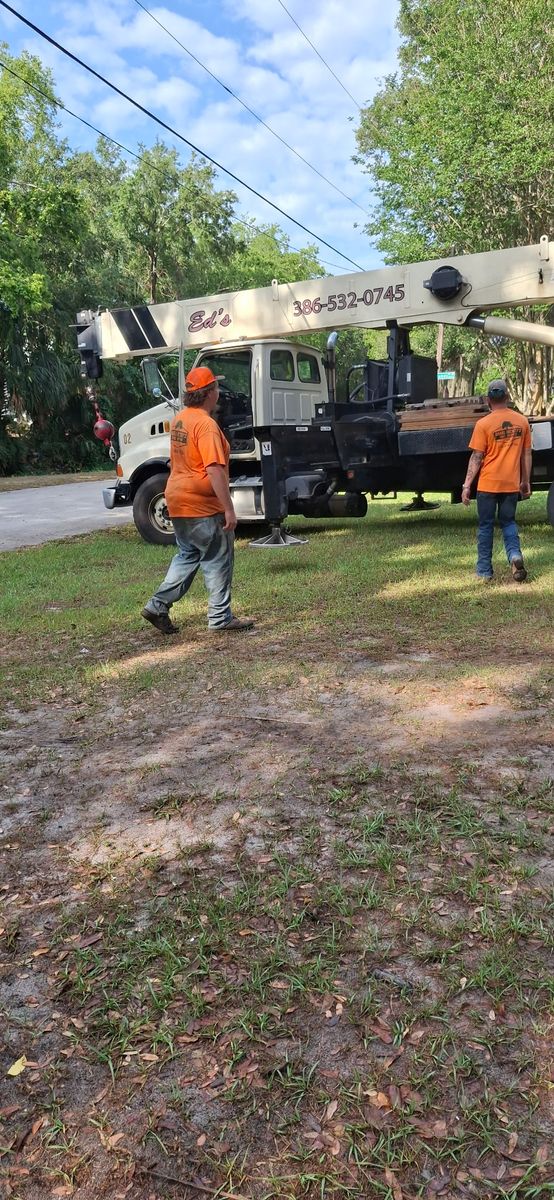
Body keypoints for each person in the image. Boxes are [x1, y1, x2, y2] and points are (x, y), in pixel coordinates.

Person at [142, 366, 254, 634]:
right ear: (209, 393)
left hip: (177, 500)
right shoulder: (206, 425)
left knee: (187, 556)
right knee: (217, 559)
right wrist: (228, 509)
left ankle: (157, 605)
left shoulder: (180, 420)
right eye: (216, 387)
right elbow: (214, 469)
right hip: (203, 505)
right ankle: (220, 617)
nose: (219, 392)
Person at [462, 379, 532, 582]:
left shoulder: (483, 424)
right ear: (507, 397)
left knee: (486, 526)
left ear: (488, 400)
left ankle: (484, 571)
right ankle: (515, 555)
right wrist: (525, 481)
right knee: (508, 522)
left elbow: (476, 457)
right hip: (510, 484)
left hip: (488, 485)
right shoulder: (522, 421)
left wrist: (467, 485)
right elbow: (526, 454)